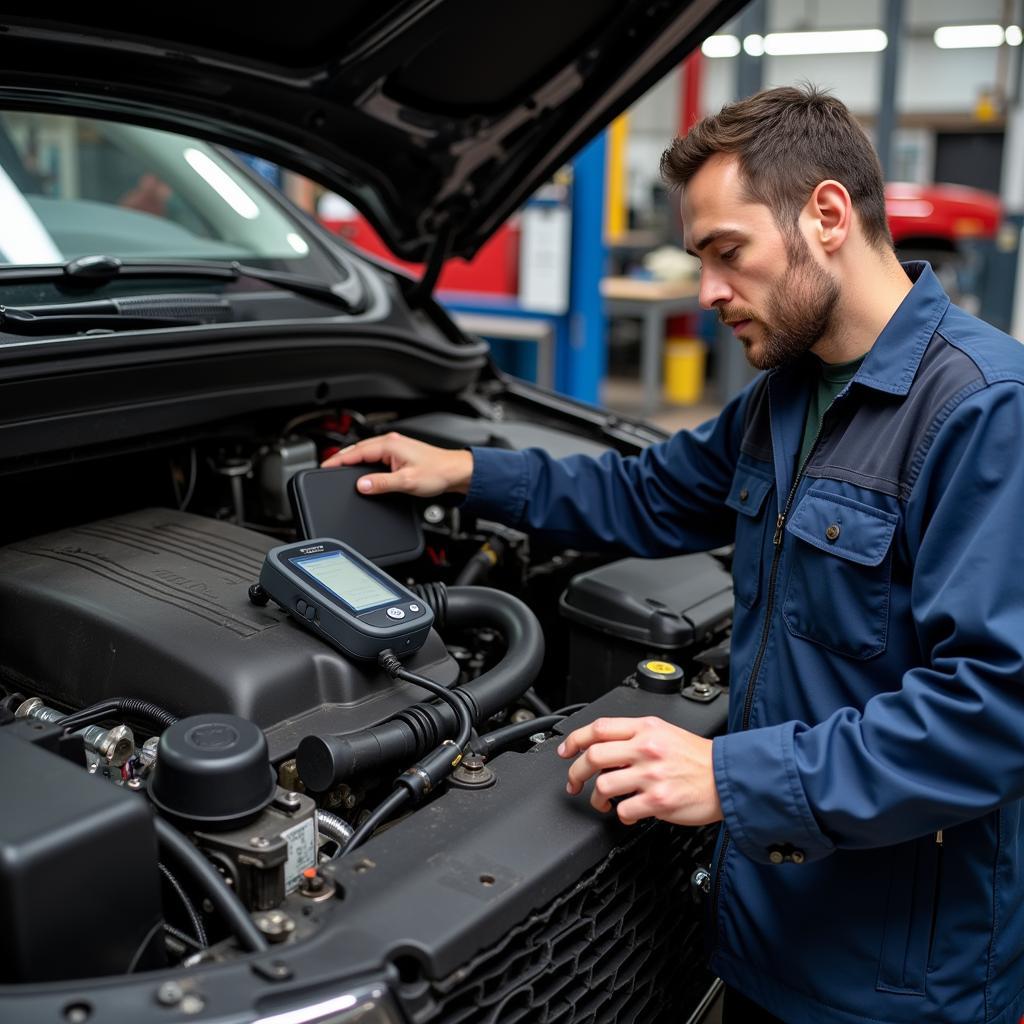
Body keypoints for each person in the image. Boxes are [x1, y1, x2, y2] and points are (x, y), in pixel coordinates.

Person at [323, 86, 1024, 1024]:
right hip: (765, 928)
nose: (708, 293)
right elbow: (645, 493)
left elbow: (990, 717)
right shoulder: (788, 394)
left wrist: (728, 775)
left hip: (895, 975)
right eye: (699, 260)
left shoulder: (984, 412)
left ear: (826, 215)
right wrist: (461, 471)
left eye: (727, 254)